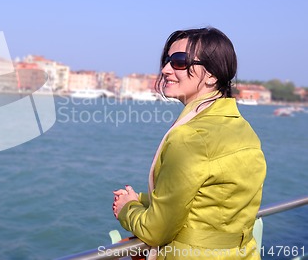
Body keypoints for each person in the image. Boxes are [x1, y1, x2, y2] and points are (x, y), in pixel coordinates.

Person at [112, 27, 267, 260]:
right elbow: (209, 202)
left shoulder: (189, 137)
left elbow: (155, 231)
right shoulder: (244, 129)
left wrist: (127, 208)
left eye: (179, 62)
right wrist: (142, 199)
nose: (165, 69)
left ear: (212, 75)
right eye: (167, 60)